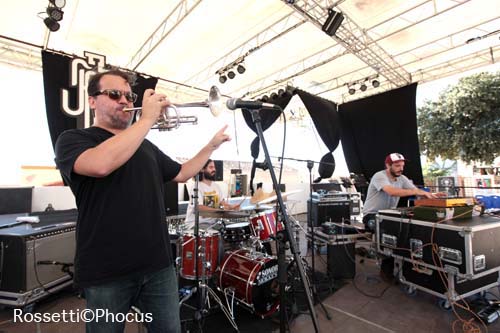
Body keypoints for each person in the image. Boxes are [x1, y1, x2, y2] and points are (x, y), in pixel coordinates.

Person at [54, 69, 230, 333]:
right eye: (115, 94)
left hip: (158, 266)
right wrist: (146, 120)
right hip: (106, 270)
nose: (125, 101)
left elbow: (182, 173)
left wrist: (211, 146)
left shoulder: (144, 146)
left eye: (128, 95)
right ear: (92, 101)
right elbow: (101, 165)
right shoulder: (74, 140)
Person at [362, 153, 439, 282]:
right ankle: (386, 271)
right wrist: (416, 191)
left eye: (402, 165)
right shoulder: (379, 176)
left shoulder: (402, 178)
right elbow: (392, 192)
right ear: (388, 165)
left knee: (408, 231)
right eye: (397, 166)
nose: (401, 168)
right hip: (371, 215)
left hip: (389, 215)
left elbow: (417, 193)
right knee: (391, 232)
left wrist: (432, 196)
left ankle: (410, 272)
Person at [184, 159, 240, 230]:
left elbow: (223, 204)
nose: (214, 169)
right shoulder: (196, 186)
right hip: (197, 224)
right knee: (215, 233)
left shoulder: (216, 186)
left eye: (214, 167)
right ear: (202, 169)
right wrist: (218, 210)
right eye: (211, 167)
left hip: (213, 223)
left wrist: (232, 207)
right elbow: (199, 207)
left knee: (233, 228)